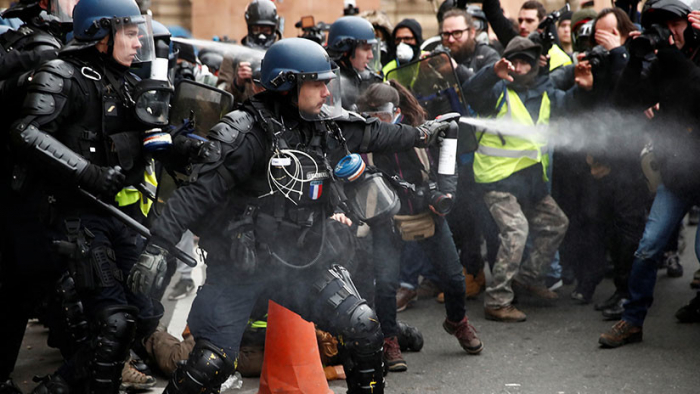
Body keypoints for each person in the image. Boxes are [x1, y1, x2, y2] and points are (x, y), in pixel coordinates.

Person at [126, 37, 451, 394]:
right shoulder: (245, 132)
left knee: (365, 328)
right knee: (211, 363)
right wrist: (157, 247)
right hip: (238, 267)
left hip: (301, 263)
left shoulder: (324, 124)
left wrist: (422, 134)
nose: (327, 93)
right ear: (287, 85)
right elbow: (194, 196)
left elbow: (375, 133)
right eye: (317, 84)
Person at [7, 0, 167, 391]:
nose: (136, 44)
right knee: (114, 322)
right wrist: (87, 171)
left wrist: (190, 146)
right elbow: (25, 133)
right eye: (129, 34)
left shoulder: (125, 82)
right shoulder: (61, 74)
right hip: (73, 217)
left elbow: (150, 136)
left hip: (116, 216)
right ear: (101, 34)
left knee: (143, 313)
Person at [356, 80, 483, 372]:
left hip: (427, 213)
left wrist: (445, 194)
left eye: (383, 115)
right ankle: (388, 340)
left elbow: (448, 165)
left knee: (454, 278)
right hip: (386, 218)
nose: (377, 121)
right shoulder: (362, 138)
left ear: (397, 111)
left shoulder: (425, 132)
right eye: (371, 115)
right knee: (386, 285)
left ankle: (457, 321)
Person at [464, 36, 592, 322]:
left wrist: (583, 89)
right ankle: (497, 300)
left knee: (557, 223)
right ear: (505, 64)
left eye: (526, 62)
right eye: (515, 62)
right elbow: (470, 93)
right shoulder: (496, 90)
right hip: (496, 179)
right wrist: (489, 74)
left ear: (536, 66)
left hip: (529, 181)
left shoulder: (546, 92)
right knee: (517, 230)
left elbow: (570, 106)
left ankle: (528, 278)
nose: (520, 68)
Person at [599, 0, 700, 348]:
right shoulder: (664, 64)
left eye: (674, 24)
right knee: (648, 247)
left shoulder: (684, 61)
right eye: (662, 26)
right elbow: (624, 105)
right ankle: (632, 319)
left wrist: (671, 55)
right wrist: (636, 58)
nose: (669, 33)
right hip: (677, 176)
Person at [481, 0, 572, 72]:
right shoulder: (515, 44)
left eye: (529, 21)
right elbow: (493, 13)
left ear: (543, 22)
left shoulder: (561, 58)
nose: (522, 26)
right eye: (520, 21)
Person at [218, 0, 280, 105]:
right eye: (256, 29)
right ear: (249, 28)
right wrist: (237, 83)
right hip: (243, 116)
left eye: (266, 30)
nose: (261, 35)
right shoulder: (233, 56)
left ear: (273, 29)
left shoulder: (283, 56)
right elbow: (219, 98)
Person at [326, 16, 383, 109]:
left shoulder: (366, 77)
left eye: (371, 49)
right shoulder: (329, 84)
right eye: (365, 49)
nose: (371, 56)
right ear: (345, 50)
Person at [440, 9, 501, 83]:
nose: (451, 40)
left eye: (457, 33)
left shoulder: (487, 56)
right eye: (446, 34)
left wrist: (457, 69)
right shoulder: (440, 57)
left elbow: (491, 89)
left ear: (472, 32)